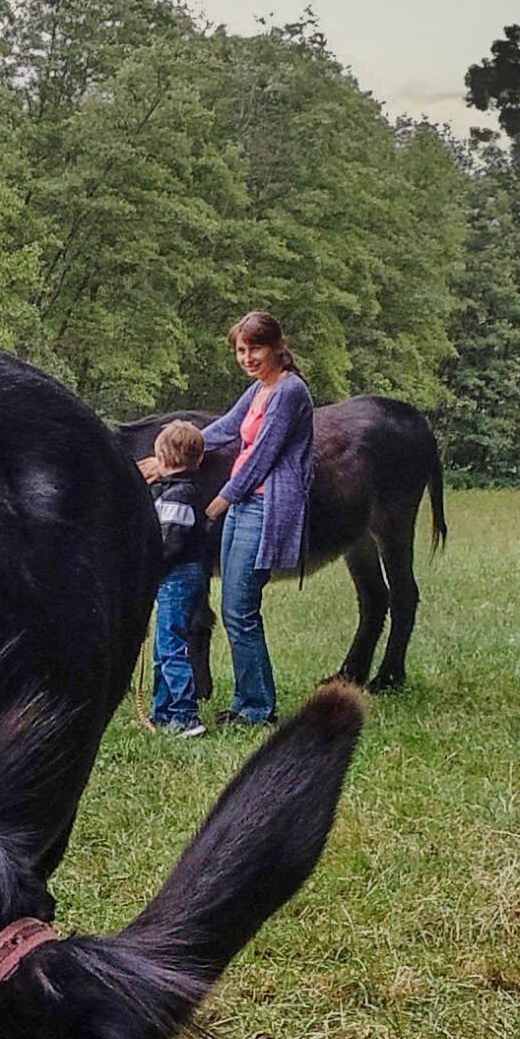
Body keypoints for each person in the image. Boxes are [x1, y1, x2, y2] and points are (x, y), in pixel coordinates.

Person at [178, 310, 315, 729]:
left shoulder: (289, 392)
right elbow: (224, 429)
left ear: (277, 347)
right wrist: (173, 455)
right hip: (246, 504)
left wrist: (222, 499)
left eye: (255, 348)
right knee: (236, 607)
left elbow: (262, 455)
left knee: (241, 609)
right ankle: (246, 702)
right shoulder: (259, 389)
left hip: (264, 505)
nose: (248, 357)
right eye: (241, 349)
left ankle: (257, 709)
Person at [142, 420, 222, 737]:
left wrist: (150, 569)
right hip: (180, 577)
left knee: (172, 646)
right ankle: (162, 711)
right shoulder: (179, 490)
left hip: (177, 578)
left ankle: (186, 716)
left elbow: (171, 543)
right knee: (165, 644)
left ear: (161, 456)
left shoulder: (179, 495)